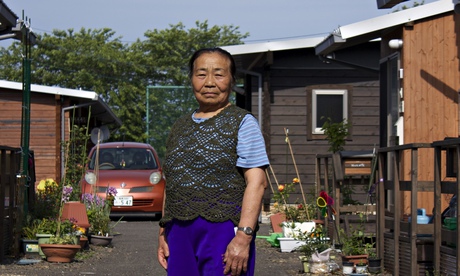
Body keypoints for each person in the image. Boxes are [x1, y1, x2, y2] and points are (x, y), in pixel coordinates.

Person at [157, 47, 269, 276]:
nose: (209, 82)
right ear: (191, 79)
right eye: (201, 74)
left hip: (225, 232)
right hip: (178, 232)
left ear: (231, 80)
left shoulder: (243, 123)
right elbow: (172, 183)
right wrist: (162, 233)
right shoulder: (179, 127)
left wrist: (244, 237)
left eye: (218, 74)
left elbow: (257, 183)